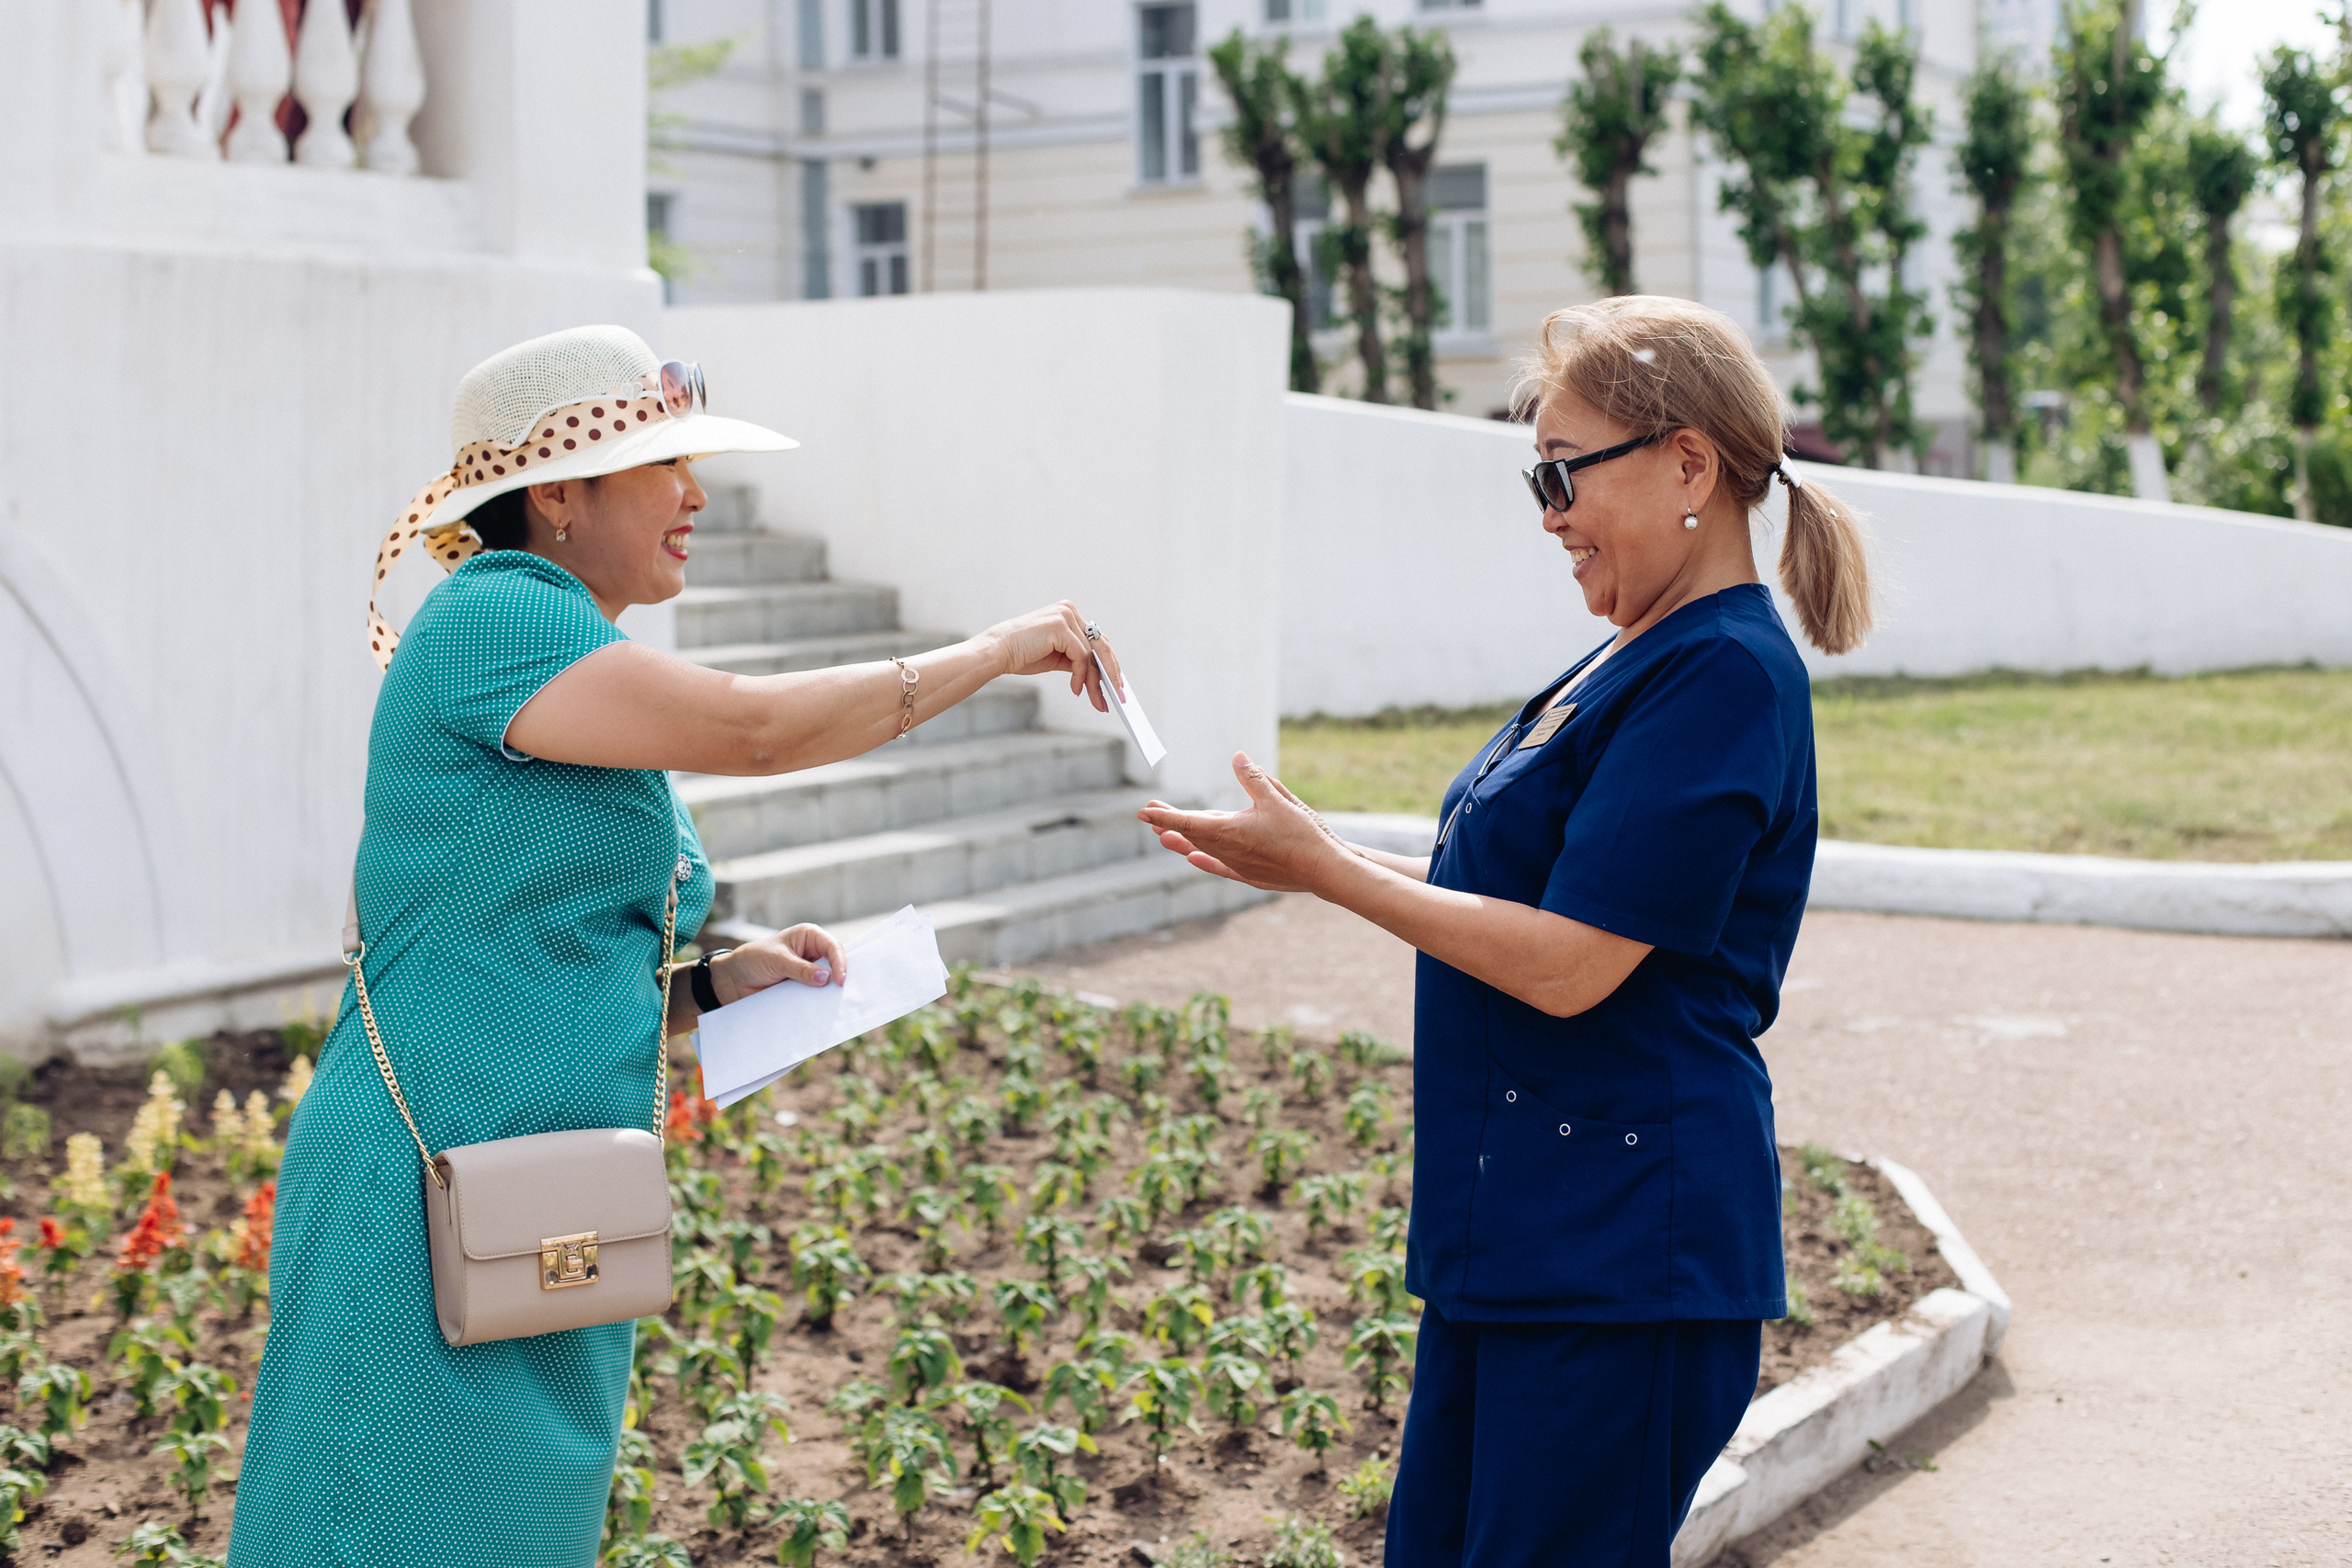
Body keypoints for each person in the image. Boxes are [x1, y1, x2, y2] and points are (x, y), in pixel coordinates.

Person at [229, 324, 1124, 1568]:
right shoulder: (495, 616)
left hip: (537, 1200)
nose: (696, 494)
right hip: (423, 1198)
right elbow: (759, 732)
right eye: (664, 463)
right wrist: (998, 650)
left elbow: (532, 942)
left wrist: (711, 985)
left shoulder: (566, 638)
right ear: (557, 496)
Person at [1138, 296, 1874, 1566]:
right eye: (1538, 478)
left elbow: (1575, 962)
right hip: (1526, 1236)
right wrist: (1315, 857)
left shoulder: (1723, 673)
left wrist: (1328, 872)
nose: (1549, 516)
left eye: (1563, 473)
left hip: (1623, 1255)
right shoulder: (1630, 656)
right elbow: (1514, 890)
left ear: (1689, 465)